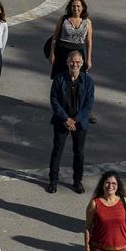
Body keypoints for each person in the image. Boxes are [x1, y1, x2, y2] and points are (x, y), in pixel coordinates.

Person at [47, 51, 95, 194]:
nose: (75, 64)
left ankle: (77, 181)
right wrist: (66, 119)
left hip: (80, 122)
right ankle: (53, 181)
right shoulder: (59, 79)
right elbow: (54, 100)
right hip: (62, 121)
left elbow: (88, 104)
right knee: (57, 150)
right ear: (67, 62)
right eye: (72, 61)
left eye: (78, 62)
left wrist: (75, 120)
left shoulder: (88, 81)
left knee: (79, 152)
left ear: (82, 63)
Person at [48, 0, 94, 79]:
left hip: (79, 54)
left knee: (78, 79)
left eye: (78, 6)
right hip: (62, 53)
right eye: (73, 6)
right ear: (70, 7)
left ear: (83, 7)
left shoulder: (87, 22)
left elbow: (89, 42)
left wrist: (88, 59)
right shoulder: (63, 19)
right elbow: (55, 38)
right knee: (60, 78)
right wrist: (52, 54)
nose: (76, 8)